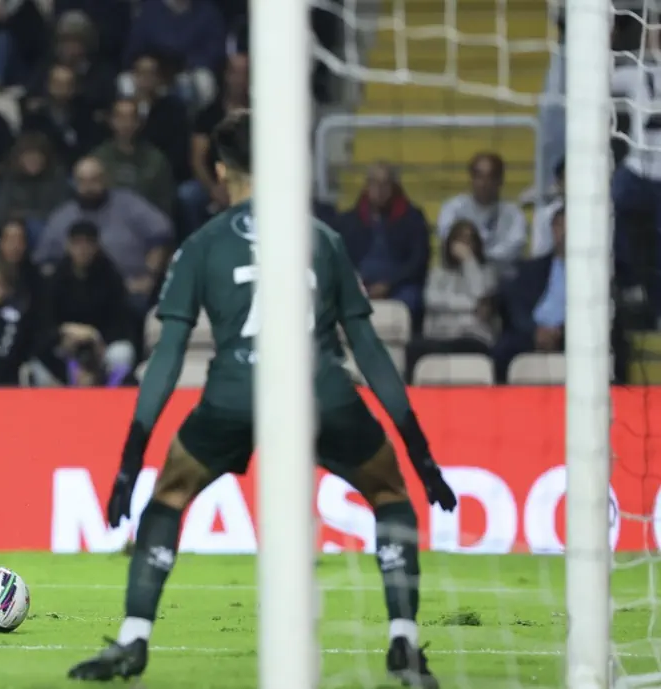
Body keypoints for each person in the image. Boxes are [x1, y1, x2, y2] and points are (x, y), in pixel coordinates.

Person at [66, 111, 456, 688]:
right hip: (322, 394)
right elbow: (371, 352)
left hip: (233, 399)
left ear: (222, 171)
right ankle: (402, 639)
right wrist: (420, 454)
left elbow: (167, 357)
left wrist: (131, 460)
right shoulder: (322, 239)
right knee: (390, 495)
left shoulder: (202, 245)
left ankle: (133, 640)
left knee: (168, 499)